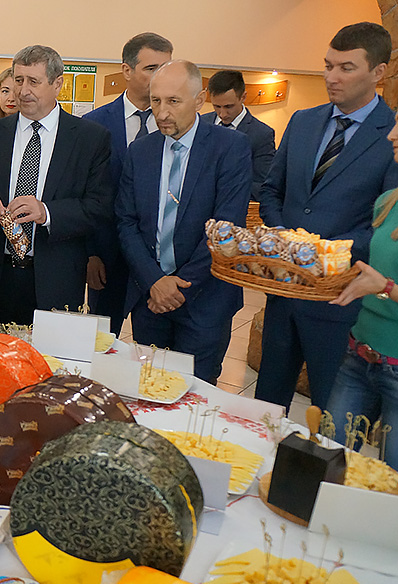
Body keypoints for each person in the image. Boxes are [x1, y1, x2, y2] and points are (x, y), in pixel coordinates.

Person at [254, 22, 398, 412]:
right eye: (327, 65)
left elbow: (386, 222)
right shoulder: (303, 121)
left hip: (339, 300)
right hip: (284, 291)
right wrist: (286, 238)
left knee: (330, 416)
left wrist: (322, 253)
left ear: (379, 72)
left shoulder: (395, 135)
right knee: (265, 405)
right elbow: (272, 190)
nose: (331, 77)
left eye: (346, 68)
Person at [116, 60, 251, 384]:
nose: (162, 112)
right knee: (150, 388)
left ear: (199, 100)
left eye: (173, 101)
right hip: (150, 300)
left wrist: (178, 286)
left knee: (196, 393)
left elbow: (226, 227)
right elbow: (126, 222)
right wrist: (155, 281)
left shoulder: (230, 148)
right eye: (156, 101)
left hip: (205, 300)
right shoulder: (140, 151)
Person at [0, 45, 113, 325]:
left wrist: (47, 213)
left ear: (57, 84)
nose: (23, 90)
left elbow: (99, 207)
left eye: (33, 81)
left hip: (56, 281)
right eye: (19, 80)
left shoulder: (90, 139)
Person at [326, 87, 398, 478]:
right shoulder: (389, 202)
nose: (391, 134)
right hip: (359, 355)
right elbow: (375, 273)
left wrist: (385, 287)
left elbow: (384, 283)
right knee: (326, 464)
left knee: (396, 485)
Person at [83, 33, 173, 334]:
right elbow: (85, 192)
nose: (160, 76)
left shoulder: (179, 126)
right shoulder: (94, 125)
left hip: (160, 264)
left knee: (155, 347)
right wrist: (90, 253)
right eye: (151, 68)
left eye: (166, 68)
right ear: (127, 70)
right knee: (101, 342)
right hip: (107, 258)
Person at [202, 70, 276, 201]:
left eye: (228, 106)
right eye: (217, 106)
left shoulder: (262, 134)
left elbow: (263, 185)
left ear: (243, 97)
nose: (222, 114)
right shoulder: (201, 124)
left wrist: (223, 188)